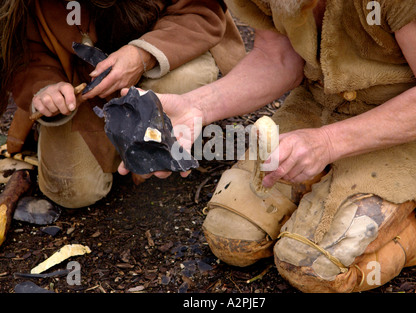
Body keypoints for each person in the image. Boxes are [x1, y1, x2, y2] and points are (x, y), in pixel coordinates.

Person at [119, 0, 416, 292]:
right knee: (231, 235)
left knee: (313, 266)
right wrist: (196, 106)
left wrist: (329, 143)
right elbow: (278, 57)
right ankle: (326, 188)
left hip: (415, 123)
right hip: (320, 103)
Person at [0, 0, 246, 208]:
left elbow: (199, 11)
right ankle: (118, 140)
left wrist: (142, 55)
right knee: (74, 192)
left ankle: (149, 143)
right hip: (80, 93)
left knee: (187, 78)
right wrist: (46, 88)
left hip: (162, 63)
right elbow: (25, 55)